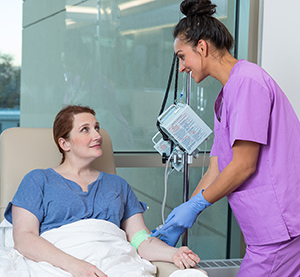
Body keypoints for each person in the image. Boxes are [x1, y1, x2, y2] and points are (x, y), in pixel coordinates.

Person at [151, 0, 300, 276]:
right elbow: (216, 169)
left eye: (182, 56)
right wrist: (184, 215)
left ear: (202, 47)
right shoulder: (225, 97)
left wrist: (197, 204)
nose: (181, 67)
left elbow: (244, 165)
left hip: (279, 226)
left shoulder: (247, 82)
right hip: (265, 231)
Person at [4, 105, 202, 277]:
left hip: (115, 263)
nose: (97, 135)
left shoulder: (118, 185)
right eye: (85, 130)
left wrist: (173, 253)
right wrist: (76, 266)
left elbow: (141, 240)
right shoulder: (39, 180)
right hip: (58, 264)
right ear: (64, 144)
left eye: (96, 128)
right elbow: (24, 238)